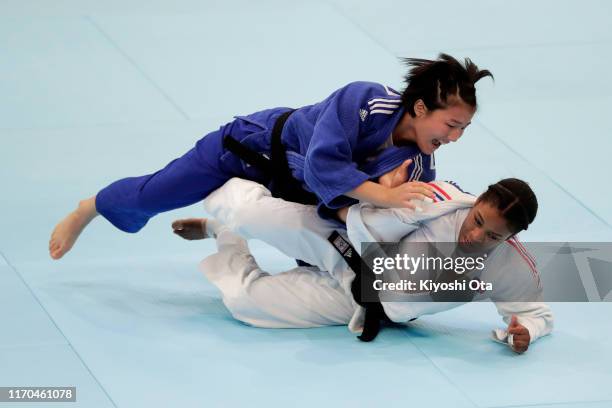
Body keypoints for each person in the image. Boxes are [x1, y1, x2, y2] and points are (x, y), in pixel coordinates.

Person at [49, 53, 492, 260]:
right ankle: (90, 207)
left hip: (294, 191)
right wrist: (381, 194)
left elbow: (347, 215)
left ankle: (217, 228)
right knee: (153, 195)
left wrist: (375, 207)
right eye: (450, 126)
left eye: (463, 130)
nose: (454, 137)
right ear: (419, 109)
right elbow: (322, 164)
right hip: (248, 151)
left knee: (326, 254)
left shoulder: (418, 167)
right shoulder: (365, 99)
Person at [176, 176, 552, 353]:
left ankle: (224, 234)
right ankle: (221, 195)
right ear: (477, 202)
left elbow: (537, 313)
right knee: (247, 212)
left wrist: (526, 332)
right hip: (347, 247)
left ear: (512, 237)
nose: (475, 235)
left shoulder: (510, 266)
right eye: (478, 221)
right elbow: (362, 217)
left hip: (363, 303)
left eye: (493, 236)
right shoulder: (441, 202)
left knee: (247, 304)